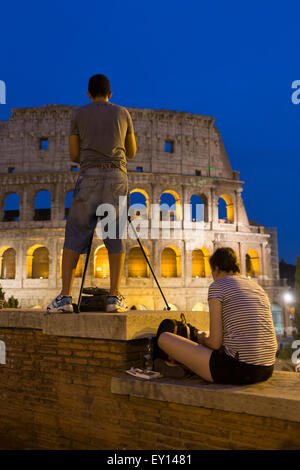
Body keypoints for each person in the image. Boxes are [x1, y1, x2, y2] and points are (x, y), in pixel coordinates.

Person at [47, 74, 136, 313]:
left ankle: (65, 297)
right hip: (116, 177)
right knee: (114, 236)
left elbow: (74, 155)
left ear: (88, 94)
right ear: (111, 93)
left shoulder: (79, 114)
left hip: (89, 177)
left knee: (75, 234)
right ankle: (114, 298)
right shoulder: (123, 113)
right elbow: (132, 151)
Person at [154, 247, 278, 385]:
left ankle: (175, 365)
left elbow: (215, 343)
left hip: (240, 369)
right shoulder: (257, 288)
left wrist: (199, 338)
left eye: (212, 271)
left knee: (164, 337)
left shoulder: (218, 286)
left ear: (217, 268)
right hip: (267, 368)